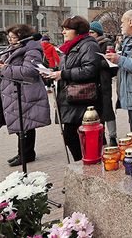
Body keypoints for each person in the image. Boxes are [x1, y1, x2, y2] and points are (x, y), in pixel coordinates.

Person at [0, 24, 51, 167]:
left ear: (23, 37)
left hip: (25, 92)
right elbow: (7, 68)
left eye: (14, 37)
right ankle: (22, 153)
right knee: (20, 125)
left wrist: (6, 69)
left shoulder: (32, 50)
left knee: (26, 124)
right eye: (9, 37)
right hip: (14, 92)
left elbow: (30, 71)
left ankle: (27, 154)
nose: (10, 40)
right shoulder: (11, 49)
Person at [50, 16, 101, 162]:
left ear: (78, 31)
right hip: (71, 97)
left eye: (67, 29)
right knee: (73, 136)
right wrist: (54, 73)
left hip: (83, 98)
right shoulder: (71, 46)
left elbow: (90, 70)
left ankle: (85, 164)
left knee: (78, 136)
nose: (63, 32)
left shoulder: (88, 45)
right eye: (63, 29)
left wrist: (63, 74)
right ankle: (83, 163)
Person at [88, 21, 117, 146]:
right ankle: (101, 135)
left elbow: (112, 64)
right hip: (93, 83)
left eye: (92, 32)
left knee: (107, 110)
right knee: (96, 111)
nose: (90, 34)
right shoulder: (89, 45)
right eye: (88, 32)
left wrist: (94, 64)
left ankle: (112, 136)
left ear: (98, 33)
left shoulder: (106, 44)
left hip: (104, 83)